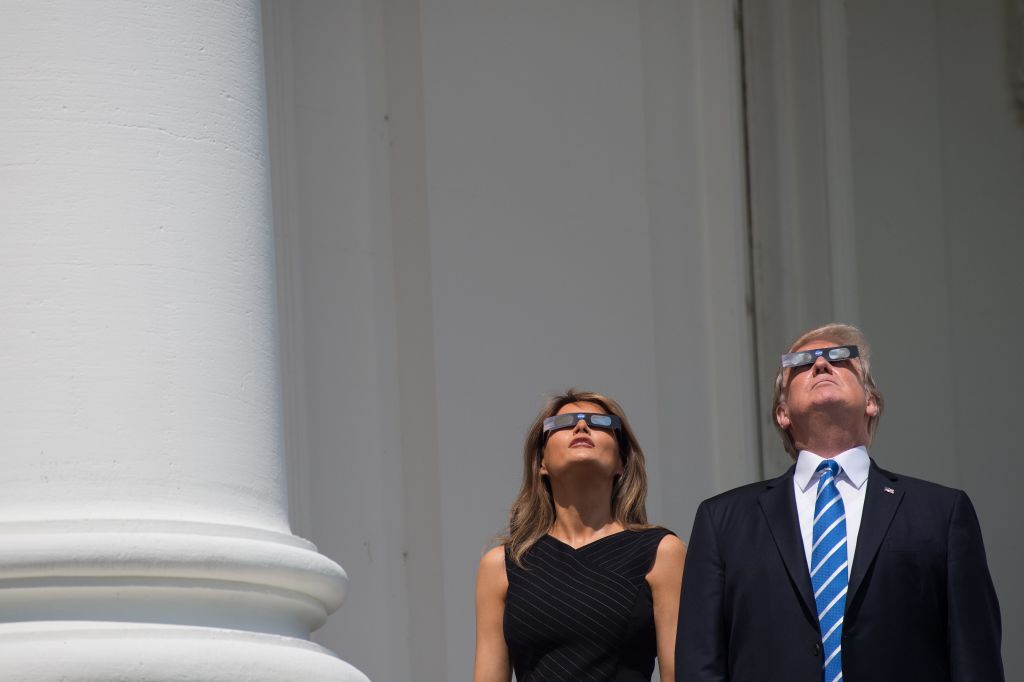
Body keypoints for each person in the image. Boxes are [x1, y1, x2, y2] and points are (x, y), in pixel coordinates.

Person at [676, 323, 1003, 681]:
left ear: (871, 401)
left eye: (839, 357)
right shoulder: (723, 521)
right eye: (801, 363)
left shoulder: (941, 513)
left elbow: (975, 659)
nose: (820, 365)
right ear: (781, 413)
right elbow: (700, 664)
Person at [474, 389, 686, 681]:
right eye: (564, 423)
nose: (581, 426)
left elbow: (679, 672)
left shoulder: (662, 552)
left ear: (621, 462)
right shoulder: (503, 564)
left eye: (600, 423)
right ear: (541, 464)